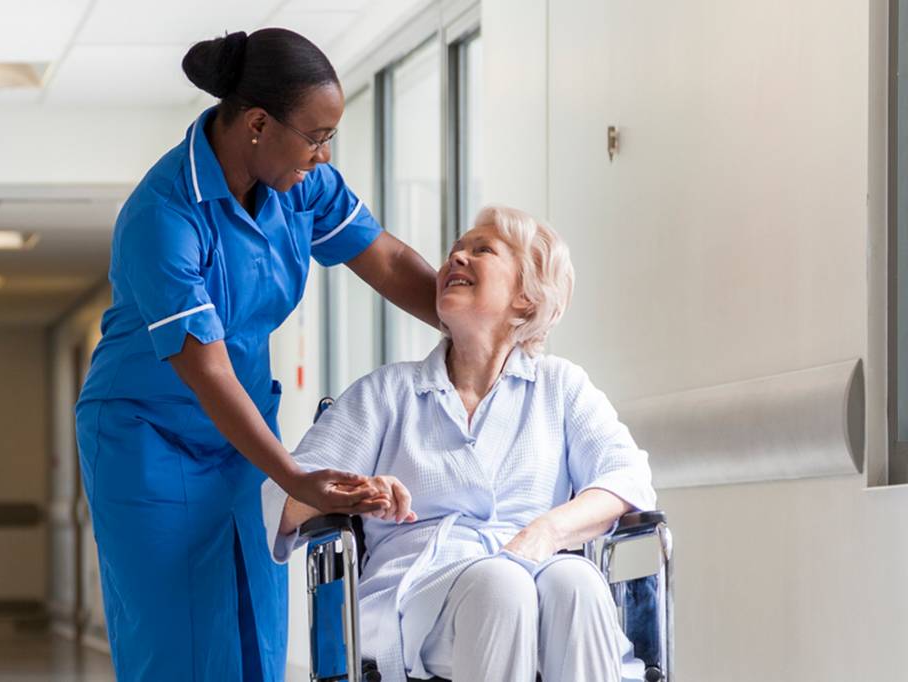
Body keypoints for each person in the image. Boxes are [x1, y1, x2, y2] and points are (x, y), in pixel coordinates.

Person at [74, 28, 437, 682]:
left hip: (242, 439)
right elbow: (205, 369)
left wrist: (468, 319)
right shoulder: (165, 215)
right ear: (258, 124)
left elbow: (383, 258)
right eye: (317, 136)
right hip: (148, 441)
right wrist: (295, 477)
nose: (324, 155)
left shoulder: (299, 185)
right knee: (176, 646)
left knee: (254, 630)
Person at [263, 205, 657, 681]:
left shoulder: (561, 387)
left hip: (537, 570)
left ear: (526, 299)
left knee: (578, 581)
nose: (456, 259)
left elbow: (628, 478)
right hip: (419, 591)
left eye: (481, 250)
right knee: (502, 584)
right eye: (454, 252)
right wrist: (352, 491)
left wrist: (546, 533)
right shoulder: (387, 393)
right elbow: (278, 502)